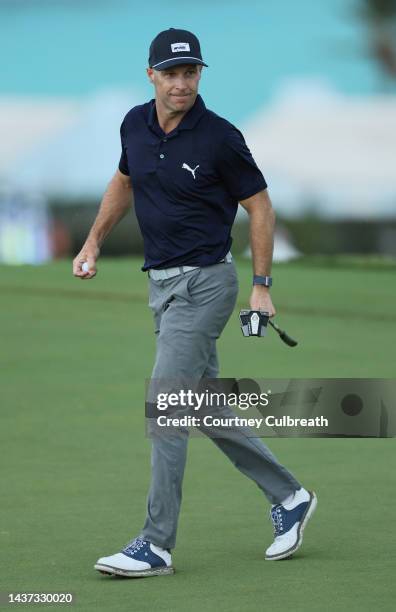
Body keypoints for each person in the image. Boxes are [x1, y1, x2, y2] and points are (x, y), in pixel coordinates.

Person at [73, 28, 317, 578]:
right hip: (160, 286)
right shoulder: (134, 124)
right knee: (199, 405)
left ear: (200, 75)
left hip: (206, 286)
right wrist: (92, 243)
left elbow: (260, 208)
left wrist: (262, 285)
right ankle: (291, 496)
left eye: (191, 73)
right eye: (171, 73)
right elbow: (124, 181)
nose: (182, 83)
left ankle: (156, 544)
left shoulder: (221, 137)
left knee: (166, 407)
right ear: (152, 75)